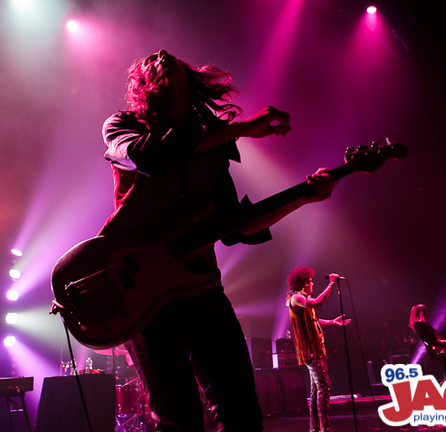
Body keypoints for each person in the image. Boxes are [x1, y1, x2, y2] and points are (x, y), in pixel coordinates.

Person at [100, 50, 339, 431]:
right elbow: (152, 157)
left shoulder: (213, 150)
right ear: (145, 86)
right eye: (155, 62)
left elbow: (236, 228)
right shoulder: (122, 126)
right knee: (180, 419)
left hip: (201, 290)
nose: (162, 55)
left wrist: (306, 196)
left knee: (242, 412)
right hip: (144, 297)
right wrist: (239, 130)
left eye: (172, 59)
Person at [285, 267, 350, 432]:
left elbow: (314, 320)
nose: (313, 284)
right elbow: (317, 302)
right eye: (311, 281)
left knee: (317, 389)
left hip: (316, 348)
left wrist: (332, 322)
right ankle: (325, 428)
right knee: (324, 386)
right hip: (311, 350)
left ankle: (315, 428)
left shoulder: (302, 298)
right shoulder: (296, 298)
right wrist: (331, 285)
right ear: (305, 283)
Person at [408, 304, 446, 379]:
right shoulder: (419, 325)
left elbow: (439, 340)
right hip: (440, 352)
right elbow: (431, 341)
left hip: (442, 351)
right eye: (424, 312)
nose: (427, 314)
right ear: (419, 313)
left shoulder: (425, 325)